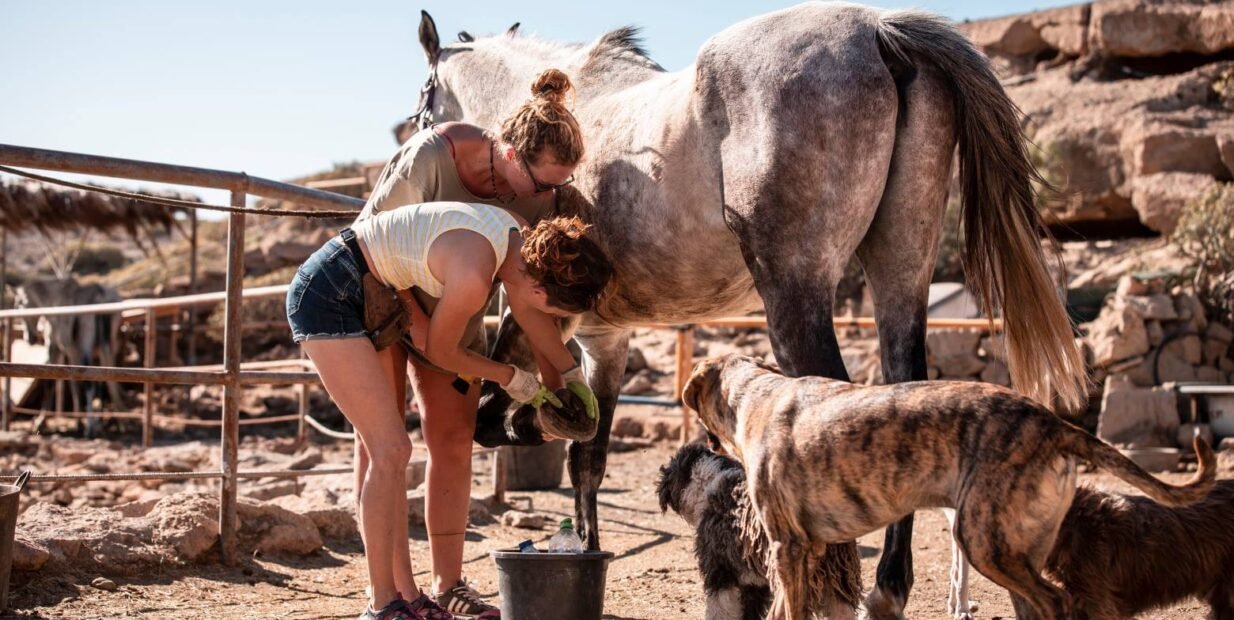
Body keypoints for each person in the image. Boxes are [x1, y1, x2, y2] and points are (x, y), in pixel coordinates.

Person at [286, 203, 611, 619]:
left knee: (393, 451)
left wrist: (571, 375)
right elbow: (439, 351)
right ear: (541, 290)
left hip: (366, 282)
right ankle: (382, 604)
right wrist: (512, 377)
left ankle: (402, 598)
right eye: (555, 310)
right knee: (390, 451)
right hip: (328, 293)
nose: (548, 315)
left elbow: (531, 316)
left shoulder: (521, 241)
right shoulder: (474, 276)